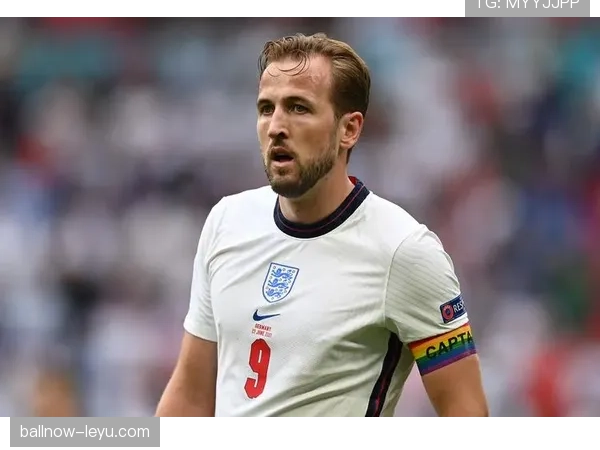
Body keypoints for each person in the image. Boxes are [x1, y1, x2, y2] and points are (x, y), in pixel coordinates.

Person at [155, 33, 489, 417]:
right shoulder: (226, 222)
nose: (276, 126)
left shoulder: (404, 251)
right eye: (266, 108)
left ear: (349, 130)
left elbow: (467, 413)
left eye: (298, 108)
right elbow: (189, 398)